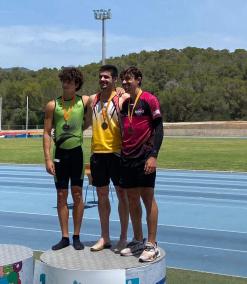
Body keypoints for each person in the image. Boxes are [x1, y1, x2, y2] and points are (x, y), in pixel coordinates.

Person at [119, 66, 164, 262]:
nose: (125, 82)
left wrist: (153, 155)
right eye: (123, 80)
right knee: (132, 201)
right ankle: (137, 240)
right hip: (127, 157)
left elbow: (159, 128)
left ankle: (151, 244)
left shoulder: (149, 99)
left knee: (148, 199)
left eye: (128, 79)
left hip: (145, 157)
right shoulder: (125, 104)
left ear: (138, 79)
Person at [43, 67, 88, 250]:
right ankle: (64, 237)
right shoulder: (52, 105)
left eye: (69, 80)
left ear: (76, 84)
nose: (65, 83)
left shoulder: (84, 101)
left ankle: (77, 236)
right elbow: (46, 133)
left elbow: (104, 93)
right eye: (63, 80)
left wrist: (118, 89)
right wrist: (47, 158)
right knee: (61, 195)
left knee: (77, 193)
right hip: (59, 154)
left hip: (77, 152)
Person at [86, 64, 129, 253]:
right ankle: (105, 237)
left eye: (107, 77)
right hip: (97, 153)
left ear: (114, 80)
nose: (103, 80)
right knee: (102, 196)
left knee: (122, 195)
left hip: (117, 153)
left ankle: (123, 238)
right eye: (101, 77)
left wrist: (120, 90)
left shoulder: (122, 98)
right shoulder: (92, 100)